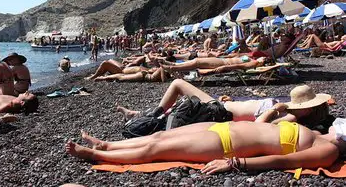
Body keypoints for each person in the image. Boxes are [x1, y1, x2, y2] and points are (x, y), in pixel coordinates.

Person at [66, 119, 346, 174]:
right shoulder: (317, 132)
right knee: (159, 137)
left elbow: (285, 162)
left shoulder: (330, 150)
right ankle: (109, 144)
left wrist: (236, 164)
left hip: (226, 143)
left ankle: (95, 154)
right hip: (221, 127)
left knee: (157, 151)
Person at [117, 81, 332, 129]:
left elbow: (258, 125)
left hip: (219, 114)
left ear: (309, 109)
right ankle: (141, 114)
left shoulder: (290, 117)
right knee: (179, 94)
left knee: (178, 84)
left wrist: (275, 109)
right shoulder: (293, 112)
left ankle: (147, 116)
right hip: (221, 107)